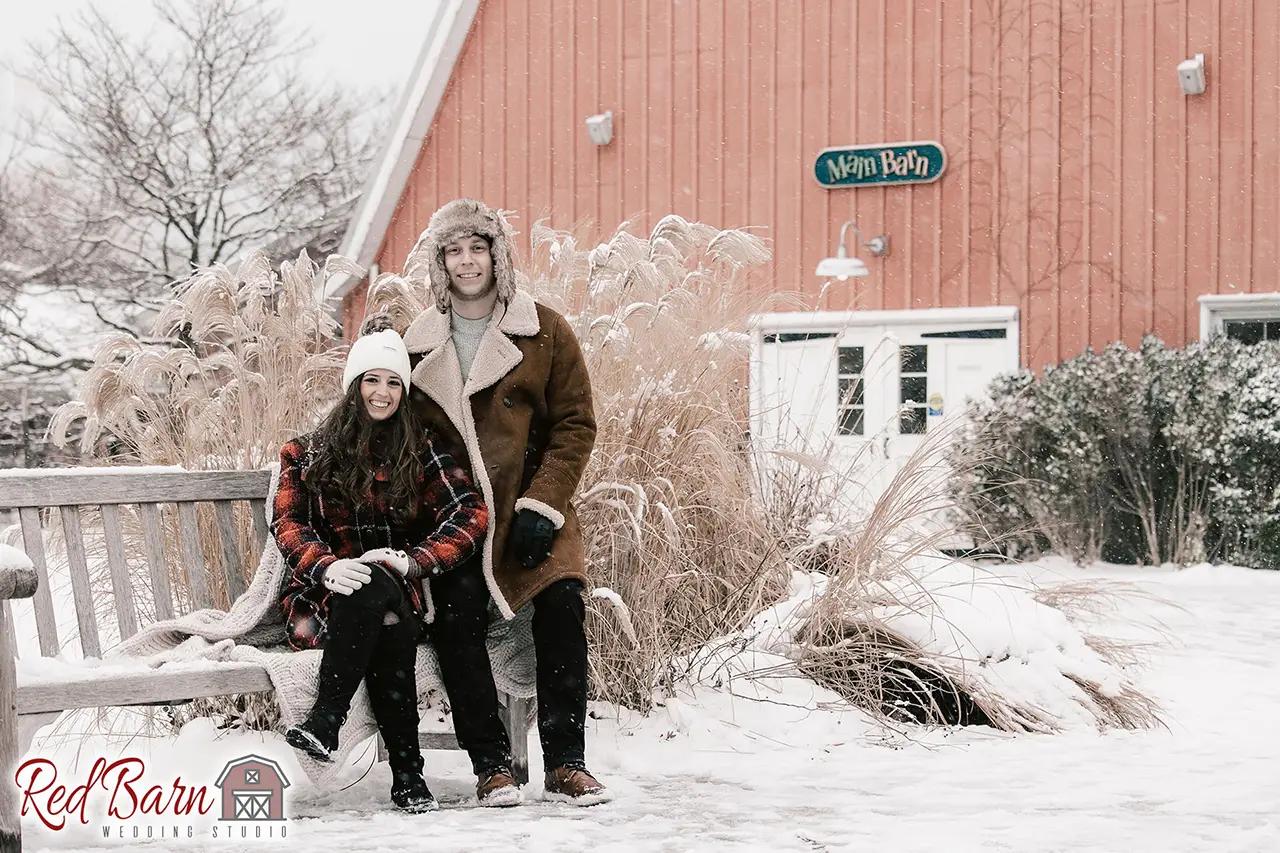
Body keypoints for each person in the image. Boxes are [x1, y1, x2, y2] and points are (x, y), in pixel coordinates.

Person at [399, 197, 611, 806]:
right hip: (454, 518)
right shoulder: (416, 344)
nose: (467, 262)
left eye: (478, 248)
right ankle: (491, 766)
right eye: (454, 251)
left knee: (563, 603)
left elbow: (575, 424)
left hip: (530, 511)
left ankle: (566, 763)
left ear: (498, 256)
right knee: (455, 612)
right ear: (440, 263)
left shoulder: (544, 330)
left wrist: (543, 505)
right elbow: (397, 434)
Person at [272, 329, 490, 813]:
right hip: (325, 600)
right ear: (354, 384)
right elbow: (289, 522)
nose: (383, 392)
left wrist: (416, 560)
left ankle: (327, 720)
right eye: (372, 379)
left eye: (394, 382)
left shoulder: (421, 450)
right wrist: (326, 567)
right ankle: (408, 776)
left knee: (380, 593)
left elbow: (470, 513)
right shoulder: (306, 453)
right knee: (384, 618)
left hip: (398, 588)